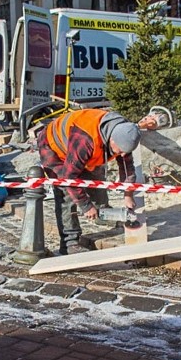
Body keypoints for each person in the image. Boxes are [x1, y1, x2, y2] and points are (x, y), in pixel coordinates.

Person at [37, 108, 141, 255]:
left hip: (80, 149)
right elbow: (69, 177)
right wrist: (85, 205)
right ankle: (69, 242)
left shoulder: (124, 132)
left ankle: (102, 214)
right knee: (66, 193)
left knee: (96, 176)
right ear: (111, 139)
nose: (122, 154)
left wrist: (128, 194)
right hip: (53, 147)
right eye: (120, 150)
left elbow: (127, 167)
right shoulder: (86, 139)